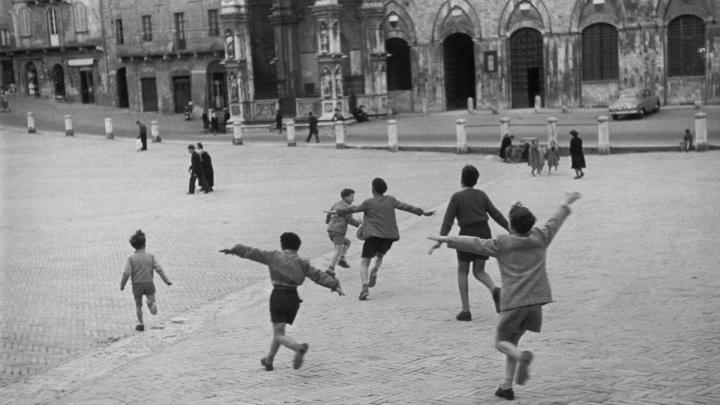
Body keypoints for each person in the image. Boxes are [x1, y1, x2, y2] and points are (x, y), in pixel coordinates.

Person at [428, 192, 581, 400]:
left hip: (514, 304)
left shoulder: (503, 243)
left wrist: (447, 239)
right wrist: (565, 202)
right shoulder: (540, 237)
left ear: (512, 226)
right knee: (512, 342)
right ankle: (506, 386)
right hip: (535, 305)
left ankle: (521, 357)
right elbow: (555, 221)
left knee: (501, 342)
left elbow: (475, 243)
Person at [219, 232, 344, 371]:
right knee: (279, 332)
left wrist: (235, 250)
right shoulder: (302, 263)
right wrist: (334, 285)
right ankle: (269, 361)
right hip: (293, 298)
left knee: (279, 334)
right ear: (297, 247)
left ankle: (298, 348)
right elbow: (317, 275)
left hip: (278, 296)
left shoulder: (274, 256)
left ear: (282, 245)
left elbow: (252, 252)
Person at [330, 178, 435, 300]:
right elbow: (406, 207)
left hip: (373, 236)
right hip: (389, 237)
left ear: (373, 190)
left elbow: (354, 209)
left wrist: (339, 212)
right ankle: (375, 269)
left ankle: (364, 287)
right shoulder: (391, 200)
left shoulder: (368, 202)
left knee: (364, 262)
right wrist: (422, 212)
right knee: (380, 255)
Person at [429, 165, 509, 321]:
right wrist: (510, 228)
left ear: (461, 179)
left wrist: (441, 239)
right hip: (483, 233)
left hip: (465, 235)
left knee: (462, 271)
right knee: (479, 271)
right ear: (476, 180)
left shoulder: (457, 197)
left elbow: (448, 221)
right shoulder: (481, 195)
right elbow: (495, 214)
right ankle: (494, 289)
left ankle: (466, 310)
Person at [120, 230, 172, 332]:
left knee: (138, 306)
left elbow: (126, 273)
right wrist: (166, 281)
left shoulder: (131, 258)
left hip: (137, 286)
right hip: (149, 284)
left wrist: (122, 285)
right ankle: (151, 303)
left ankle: (141, 323)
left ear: (133, 246)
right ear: (145, 244)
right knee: (153, 306)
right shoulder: (151, 256)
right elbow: (159, 269)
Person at [325, 188, 362, 278]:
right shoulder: (347, 207)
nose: (353, 199)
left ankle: (342, 258)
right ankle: (330, 269)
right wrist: (360, 225)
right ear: (346, 197)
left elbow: (329, 214)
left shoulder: (336, 204)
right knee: (337, 250)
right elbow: (350, 220)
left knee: (347, 242)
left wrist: (327, 221)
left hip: (330, 230)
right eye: (351, 197)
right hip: (338, 231)